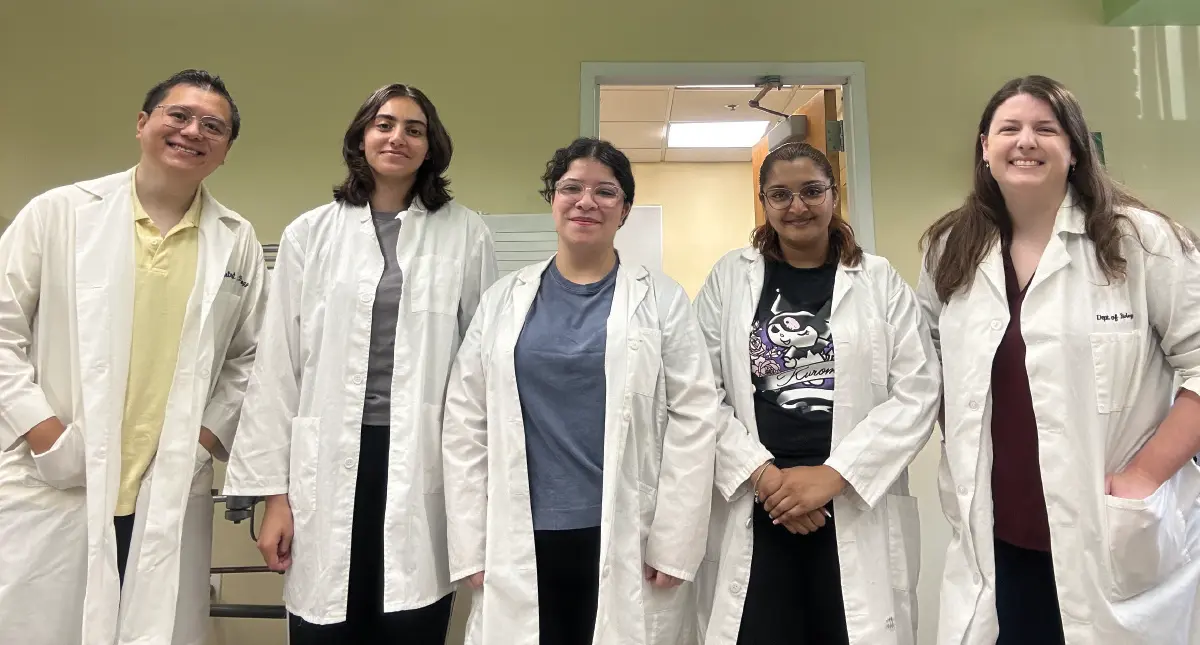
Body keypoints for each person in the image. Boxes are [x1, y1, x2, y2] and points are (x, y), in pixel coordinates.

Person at [917, 75, 1200, 644]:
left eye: (1045, 129)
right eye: (1009, 129)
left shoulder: (1139, 240)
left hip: (1110, 533)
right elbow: (929, 368)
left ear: (1074, 150)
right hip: (998, 534)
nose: (1026, 141)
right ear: (985, 148)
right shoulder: (951, 248)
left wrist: (1145, 475)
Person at [222, 83, 497, 644]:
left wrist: (481, 498)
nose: (397, 138)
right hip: (326, 461)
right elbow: (277, 367)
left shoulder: (466, 233)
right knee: (326, 621)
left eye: (414, 129)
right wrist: (275, 497)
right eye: (384, 125)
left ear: (431, 146)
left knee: (411, 618)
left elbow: (481, 365)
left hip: (423, 459)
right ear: (361, 138)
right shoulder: (309, 234)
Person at [0, 69, 267, 645]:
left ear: (225, 151)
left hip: (166, 486)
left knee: (155, 627)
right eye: (179, 115)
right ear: (143, 123)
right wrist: (43, 431)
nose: (193, 131)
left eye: (213, 126)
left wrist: (201, 442)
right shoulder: (59, 214)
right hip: (59, 479)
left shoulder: (237, 239)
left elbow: (249, 359)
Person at [441, 137, 718, 645]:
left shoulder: (662, 300)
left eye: (605, 192)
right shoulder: (503, 300)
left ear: (625, 210)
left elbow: (696, 416)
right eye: (571, 188)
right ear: (553, 199)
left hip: (627, 531)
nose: (586, 202)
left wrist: (676, 540)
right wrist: (470, 542)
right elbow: (466, 420)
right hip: (519, 530)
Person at [692, 141, 941, 645]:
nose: (797, 206)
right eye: (780, 194)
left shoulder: (879, 281)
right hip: (761, 499)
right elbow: (698, 390)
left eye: (811, 191)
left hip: (849, 494)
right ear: (764, 201)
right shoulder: (730, 279)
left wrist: (834, 476)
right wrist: (764, 477)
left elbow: (918, 390)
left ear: (833, 194)